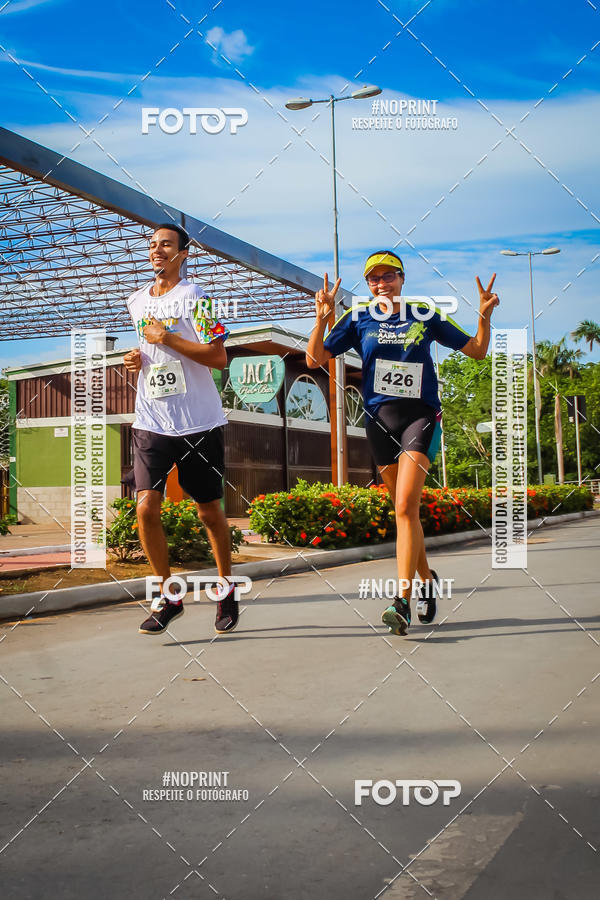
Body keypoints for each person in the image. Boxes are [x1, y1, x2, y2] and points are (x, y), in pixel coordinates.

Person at [306, 250, 499, 635]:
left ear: (402, 278)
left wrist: (484, 315)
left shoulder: (424, 315)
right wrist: (321, 317)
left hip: (420, 418)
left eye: (389, 276)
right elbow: (314, 359)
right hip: (378, 422)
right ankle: (427, 582)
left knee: (406, 506)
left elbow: (477, 351)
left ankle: (402, 602)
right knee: (403, 512)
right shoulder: (357, 318)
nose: (382, 283)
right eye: (374, 278)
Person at [123, 222, 239, 636]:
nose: (157, 251)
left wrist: (168, 339)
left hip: (199, 423)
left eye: (166, 245)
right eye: (152, 245)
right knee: (145, 508)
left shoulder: (197, 298)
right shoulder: (136, 302)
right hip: (151, 420)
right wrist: (136, 359)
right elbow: (150, 351)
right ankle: (168, 595)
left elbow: (219, 356)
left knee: (209, 512)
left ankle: (226, 589)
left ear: (183, 253)